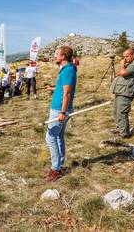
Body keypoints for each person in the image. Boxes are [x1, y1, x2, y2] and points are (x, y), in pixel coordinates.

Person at [44, 46, 77, 182]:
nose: (55, 56)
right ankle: (60, 165)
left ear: (63, 56)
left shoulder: (68, 70)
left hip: (59, 110)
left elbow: (67, 93)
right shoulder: (66, 70)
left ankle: (55, 169)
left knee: (50, 137)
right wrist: (52, 88)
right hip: (59, 109)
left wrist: (63, 112)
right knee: (58, 137)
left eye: (57, 54)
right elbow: (62, 87)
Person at [110, 48, 134, 138]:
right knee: (116, 111)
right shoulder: (130, 64)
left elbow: (124, 73)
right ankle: (120, 129)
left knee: (122, 112)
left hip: (126, 92)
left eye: (127, 56)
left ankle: (124, 134)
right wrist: (122, 70)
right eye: (124, 57)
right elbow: (121, 73)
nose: (125, 58)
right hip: (120, 90)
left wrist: (122, 65)